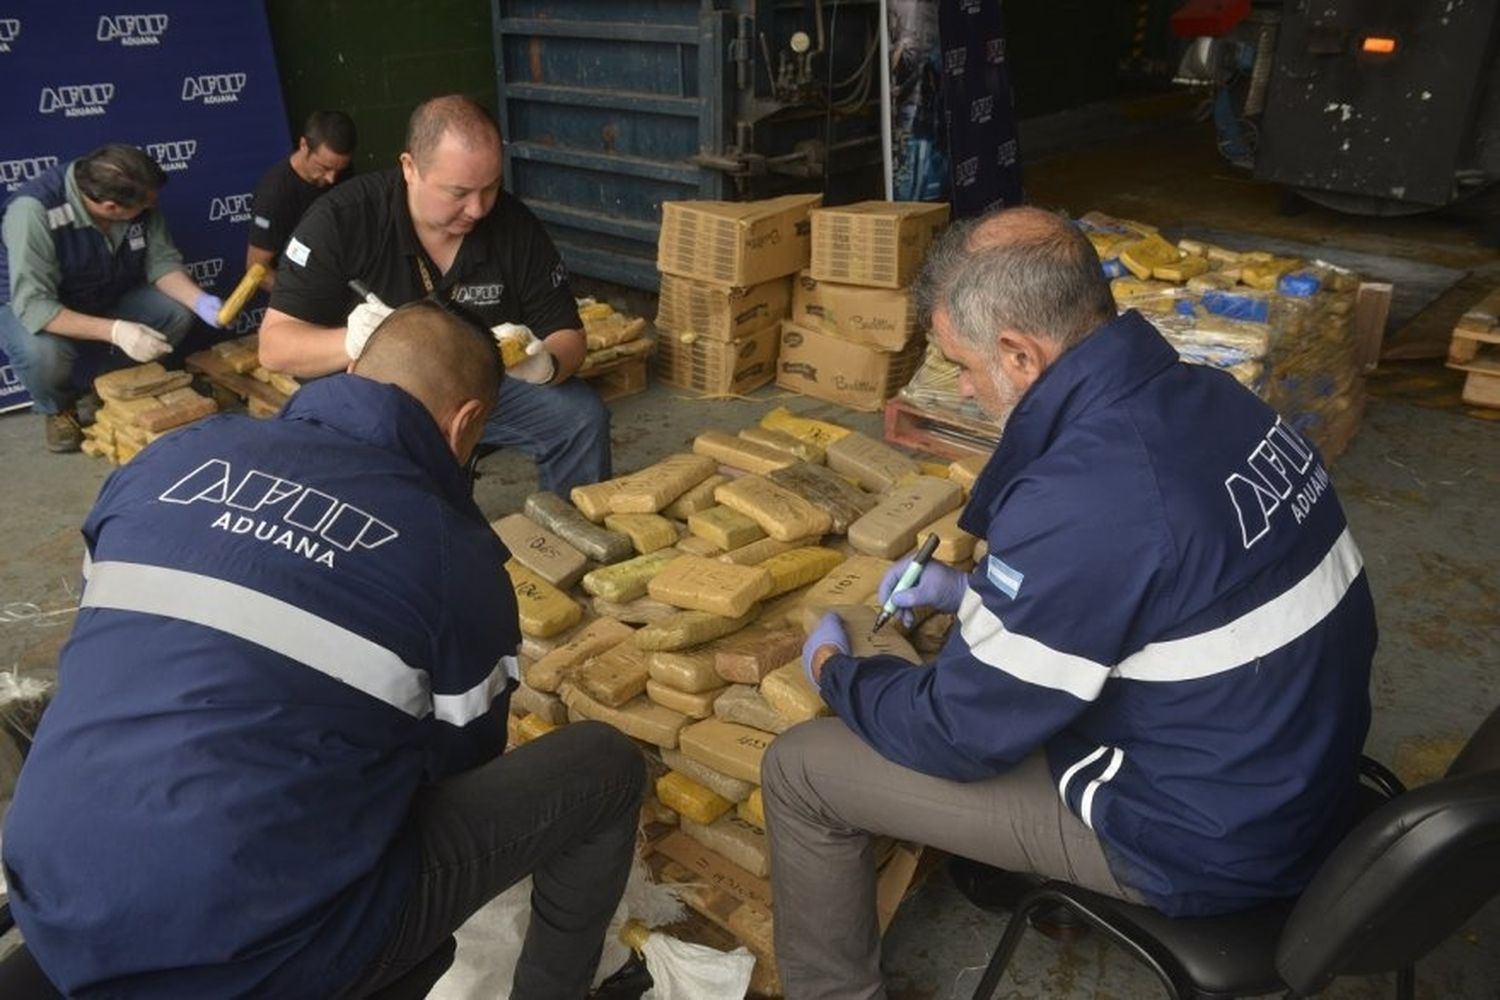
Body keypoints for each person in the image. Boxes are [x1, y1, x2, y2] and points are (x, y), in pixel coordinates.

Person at [765, 206, 1376, 998]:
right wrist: (972, 589)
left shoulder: (1083, 495)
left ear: (1020, 354)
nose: (960, 384)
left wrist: (836, 674)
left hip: (1205, 839)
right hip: (1296, 770)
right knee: (959, 653)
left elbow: (957, 734)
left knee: (802, 769)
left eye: (961, 363)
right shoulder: (1214, 398)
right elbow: (1152, 576)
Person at [1, 300, 646, 999]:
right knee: (604, 766)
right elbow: (452, 766)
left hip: (52, 890)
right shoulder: (450, 556)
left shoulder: (174, 458)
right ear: (466, 425)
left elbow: (113, 640)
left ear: (354, 369)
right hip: (265, 950)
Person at [259, 94, 611, 495]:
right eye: (458, 193)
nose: (478, 209)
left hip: (475, 388)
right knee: (402, 482)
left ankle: (568, 540)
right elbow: (274, 347)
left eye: (491, 187)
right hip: (370, 400)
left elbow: (569, 334)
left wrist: (546, 365)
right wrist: (354, 341)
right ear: (410, 168)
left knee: (580, 417)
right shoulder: (341, 220)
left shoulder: (512, 225)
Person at [0, 143, 223, 453]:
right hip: (30, 303)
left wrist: (199, 300)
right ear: (109, 208)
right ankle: (59, 409)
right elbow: (36, 305)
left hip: (100, 290)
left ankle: (108, 390)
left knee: (175, 311)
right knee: (42, 353)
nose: (151, 207)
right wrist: (116, 331)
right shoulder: (33, 212)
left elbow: (161, 263)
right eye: (144, 206)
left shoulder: (136, 193)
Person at [246, 109, 358, 290]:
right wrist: (304, 299)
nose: (331, 178)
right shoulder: (274, 195)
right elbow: (258, 270)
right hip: (301, 286)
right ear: (304, 145)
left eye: (339, 169)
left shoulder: (340, 170)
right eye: (324, 167)